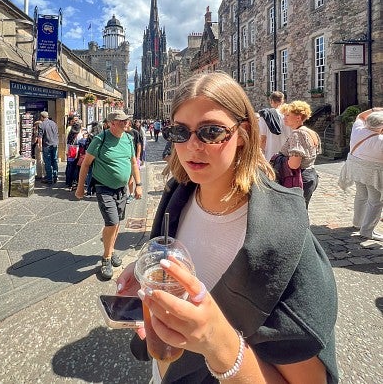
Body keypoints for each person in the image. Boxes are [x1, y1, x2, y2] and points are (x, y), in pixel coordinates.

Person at [116, 72, 338, 384]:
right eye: (180, 132)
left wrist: (217, 342)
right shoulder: (177, 196)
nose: (193, 145)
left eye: (211, 132)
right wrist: (146, 271)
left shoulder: (281, 234)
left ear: (244, 133)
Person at [75, 111, 142, 280]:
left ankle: (110, 252)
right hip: (104, 187)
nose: (127, 123)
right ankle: (106, 258)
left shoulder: (128, 138)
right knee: (111, 222)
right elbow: (85, 164)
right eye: (122, 121)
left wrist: (138, 185)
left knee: (117, 222)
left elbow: (133, 162)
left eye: (127, 120)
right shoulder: (100, 139)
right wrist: (80, 187)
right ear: (112, 123)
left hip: (122, 189)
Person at [338, 108, 383, 241]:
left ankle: (358, 222)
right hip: (372, 174)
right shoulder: (380, 141)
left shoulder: (358, 130)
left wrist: (375, 109)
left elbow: (360, 116)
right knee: (375, 201)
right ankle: (367, 230)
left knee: (361, 195)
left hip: (357, 170)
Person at [279, 101, 321, 208]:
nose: (284, 118)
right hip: (311, 174)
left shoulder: (297, 134)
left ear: (298, 117)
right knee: (302, 211)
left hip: (300, 178)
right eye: (284, 115)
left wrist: (280, 160)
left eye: (288, 115)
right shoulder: (310, 132)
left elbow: (294, 164)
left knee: (295, 213)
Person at [258, 91, 292, 161]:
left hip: (271, 154)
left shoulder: (266, 115)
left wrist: (260, 153)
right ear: (282, 100)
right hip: (287, 154)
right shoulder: (290, 114)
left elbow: (263, 138)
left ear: (271, 101)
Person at [38, 111, 59, 185]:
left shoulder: (41, 125)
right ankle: (55, 176)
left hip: (46, 145)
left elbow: (40, 137)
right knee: (55, 160)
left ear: (41, 117)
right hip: (55, 144)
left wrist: (40, 146)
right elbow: (57, 133)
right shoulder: (54, 123)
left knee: (47, 162)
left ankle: (49, 179)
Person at [125, 120, 142, 204]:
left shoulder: (134, 132)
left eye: (125, 122)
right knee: (129, 177)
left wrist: (138, 157)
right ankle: (131, 193)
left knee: (135, 175)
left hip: (134, 157)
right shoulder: (123, 132)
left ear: (129, 123)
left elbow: (139, 144)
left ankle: (137, 190)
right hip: (125, 158)